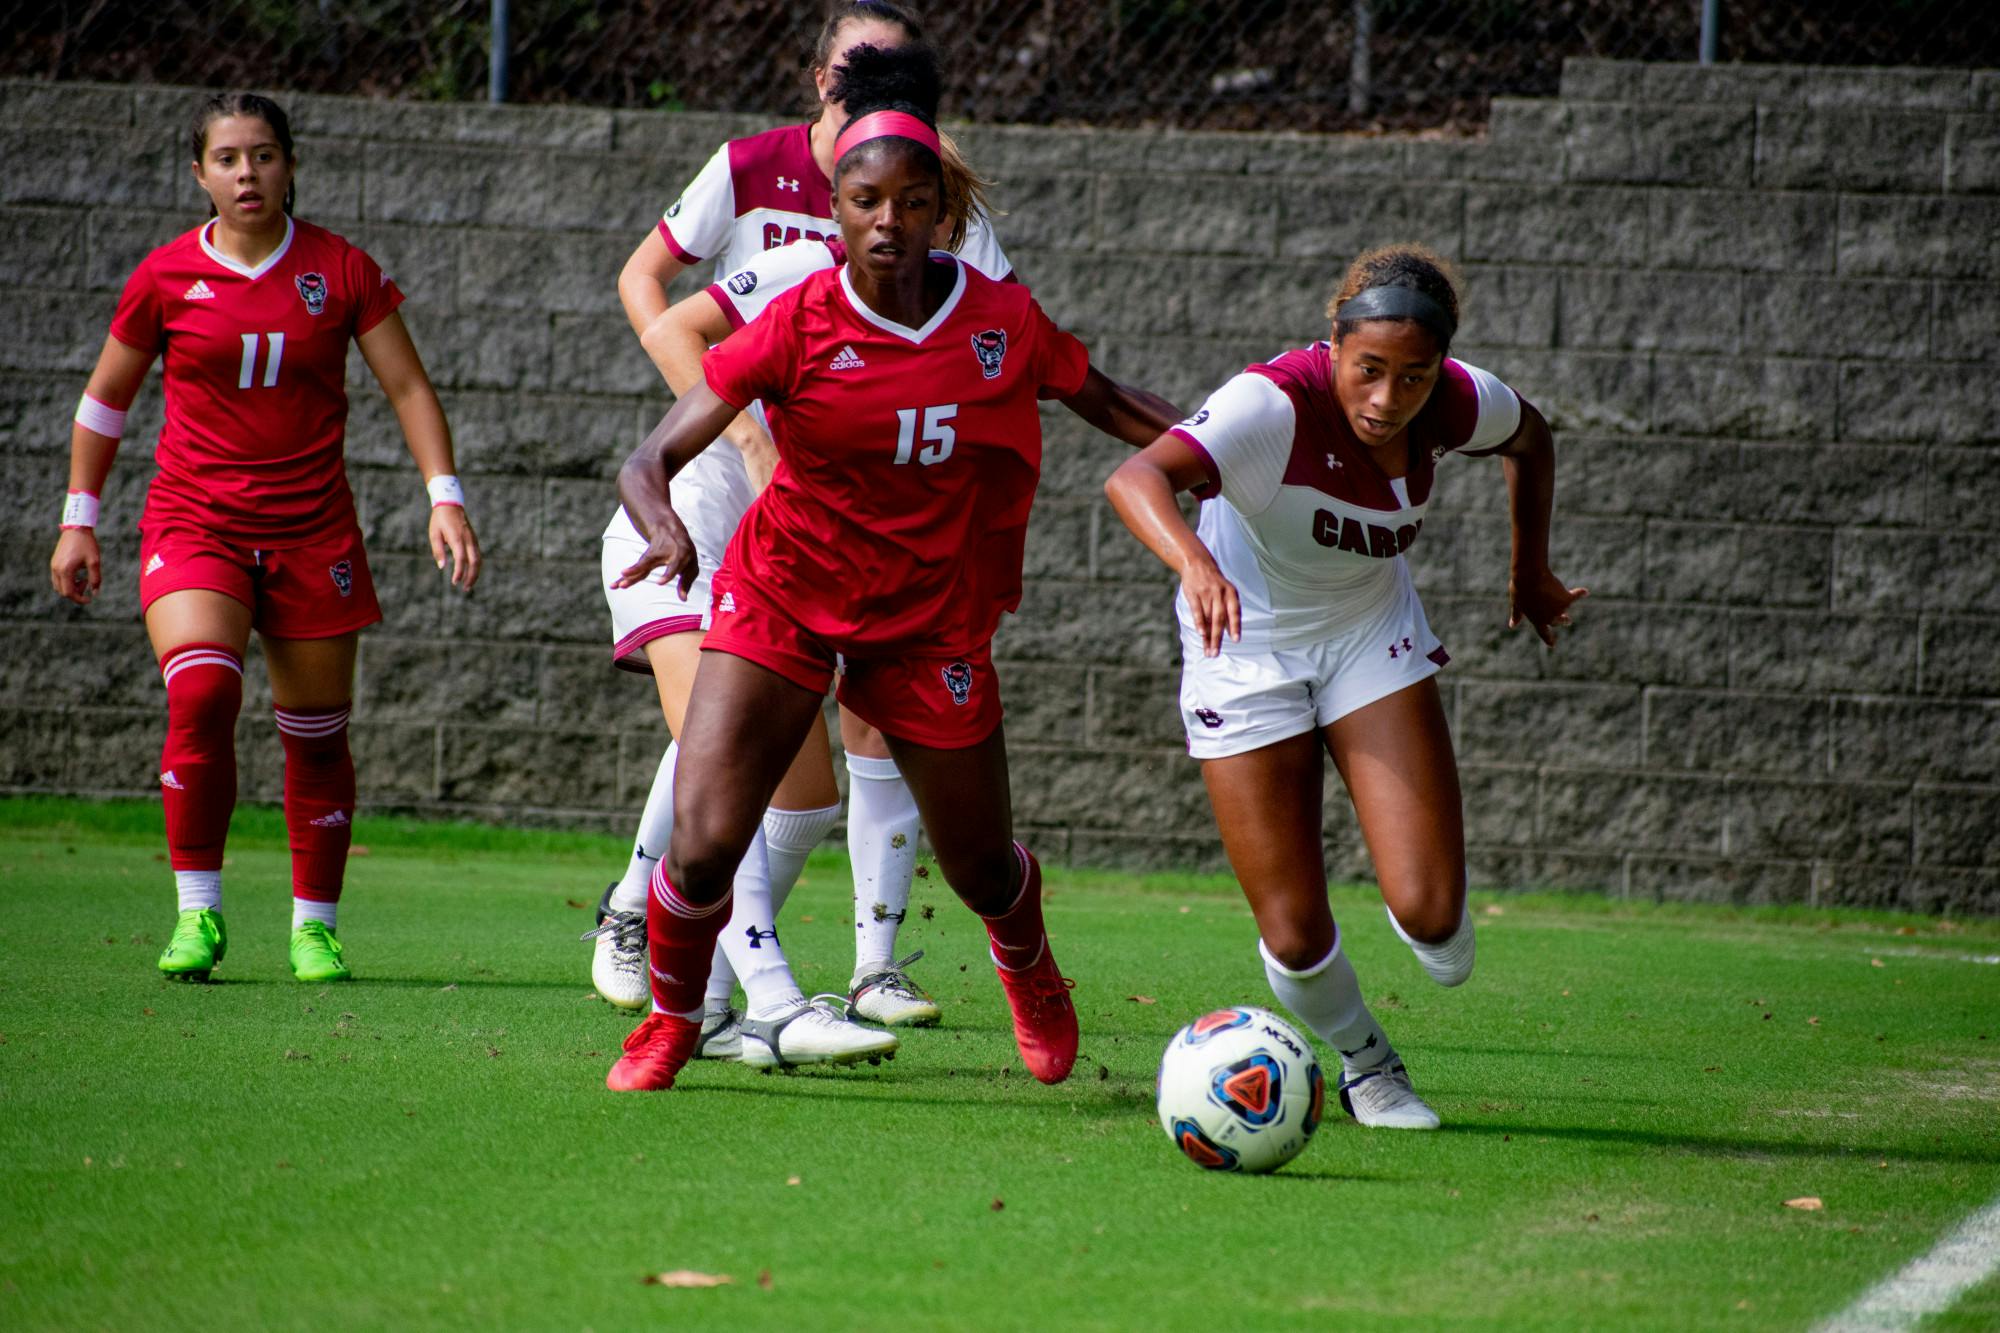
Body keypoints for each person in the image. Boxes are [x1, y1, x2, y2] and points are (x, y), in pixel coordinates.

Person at [602, 45, 1179, 1092]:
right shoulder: (796, 320)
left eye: (910, 202)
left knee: (979, 865)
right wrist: (669, 529)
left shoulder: (1000, 321)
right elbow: (649, 458)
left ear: (938, 210)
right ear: (836, 208)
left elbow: (1105, 397)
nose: (885, 221)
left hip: (928, 616)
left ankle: (1026, 964)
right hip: (782, 592)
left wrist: (1221, 451)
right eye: (864, 200)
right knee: (700, 845)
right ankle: (671, 1020)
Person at [591, 1, 1005, 1050]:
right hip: (696, 511)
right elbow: (658, 296)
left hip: (819, 535)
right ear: (821, 79)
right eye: (849, 66)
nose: (890, 221)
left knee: (790, 795)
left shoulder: (936, 205)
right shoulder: (773, 213)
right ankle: (758, 995)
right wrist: (738, 433)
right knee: (724, 757)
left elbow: (991, 348)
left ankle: (715, 963)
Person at [1103, 244, 1586, 1129]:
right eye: (1369, 370)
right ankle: (1369, 1063)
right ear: (1334, 340)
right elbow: (1136, 478)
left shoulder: (1455, 399)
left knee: (1435, 921)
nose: (1386, 398)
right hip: (1245, 648)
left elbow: (1531, 434)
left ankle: (1430, 930)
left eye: (1413, 376)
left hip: (1370, 635)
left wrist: (1532, 569)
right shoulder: (1270, 402)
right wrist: (1195, 560)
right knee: (1292, 932)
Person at [48, 92, 480, 984]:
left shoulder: (341, 269)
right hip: (194, 522)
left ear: (290, 164)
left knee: (316, 734)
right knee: (202, 694)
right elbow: (105, 401)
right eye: (229, 158)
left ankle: (313, 927)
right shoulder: (165, 276)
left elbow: (407, 387)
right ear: (200, 173)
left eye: (265, 155)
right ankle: (197, 915)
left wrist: (445, 497)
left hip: (312, 530)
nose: (248, 173)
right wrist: (77, 519)